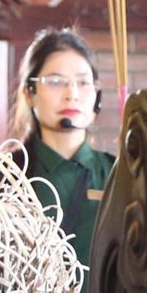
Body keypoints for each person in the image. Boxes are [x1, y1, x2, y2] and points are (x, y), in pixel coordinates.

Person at [13, 28, 115, 248]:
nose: (72, 94)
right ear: (29, 93)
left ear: (97, 95)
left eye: (83, 83)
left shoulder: (119, 174)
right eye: (56, 82)